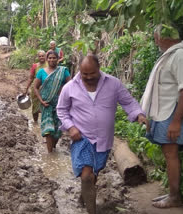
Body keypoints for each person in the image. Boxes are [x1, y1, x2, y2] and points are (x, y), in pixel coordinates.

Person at [57, 54, 148, 214]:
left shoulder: (113, 84)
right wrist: (71, 127)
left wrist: (139, 114)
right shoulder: (70, 87)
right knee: (86, 176)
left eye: (92, 73)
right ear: (80, 70)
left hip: (104, 140)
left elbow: (128, 102)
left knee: (94, 173)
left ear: (99, 69)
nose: (89, 77)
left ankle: (83, 195)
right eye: (85, 74)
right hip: (81, 138)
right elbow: (62, 110)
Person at [141, 25, 183, 208]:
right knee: (168, 153)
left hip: (173, 114)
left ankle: (174, 196)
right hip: (165, 113)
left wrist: (176, 122)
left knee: (171, 153)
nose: (155, 42)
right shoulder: (172, 54)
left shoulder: (181, 56)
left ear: (165, 38)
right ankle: (172, 192)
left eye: (156, 38)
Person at [34, 51, 71, 153]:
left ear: (58, 59)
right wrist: (41, 101)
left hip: (60, 104)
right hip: (46, 104)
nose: (51, 60)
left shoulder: (63, 71)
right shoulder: (41, 72)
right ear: (47, 59)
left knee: (57, 130)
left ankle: (53, 148)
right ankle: (50, 154)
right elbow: (36, 87)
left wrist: (62, 88)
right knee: (48, 130)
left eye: (54, 58)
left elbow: (71, 84)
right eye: (49, 58)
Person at [23, 50, 48, 122]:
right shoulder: (35, 66)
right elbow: (31, 78)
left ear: (45, 56)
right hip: (36, 89)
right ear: (38, 57)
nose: (41, 57)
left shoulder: (49, 64)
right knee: (35, 107)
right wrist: (26, 88)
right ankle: (35, 123)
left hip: (46, 89)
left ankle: (44, 124)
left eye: (43, 56)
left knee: (46, 106)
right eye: (39, 56)